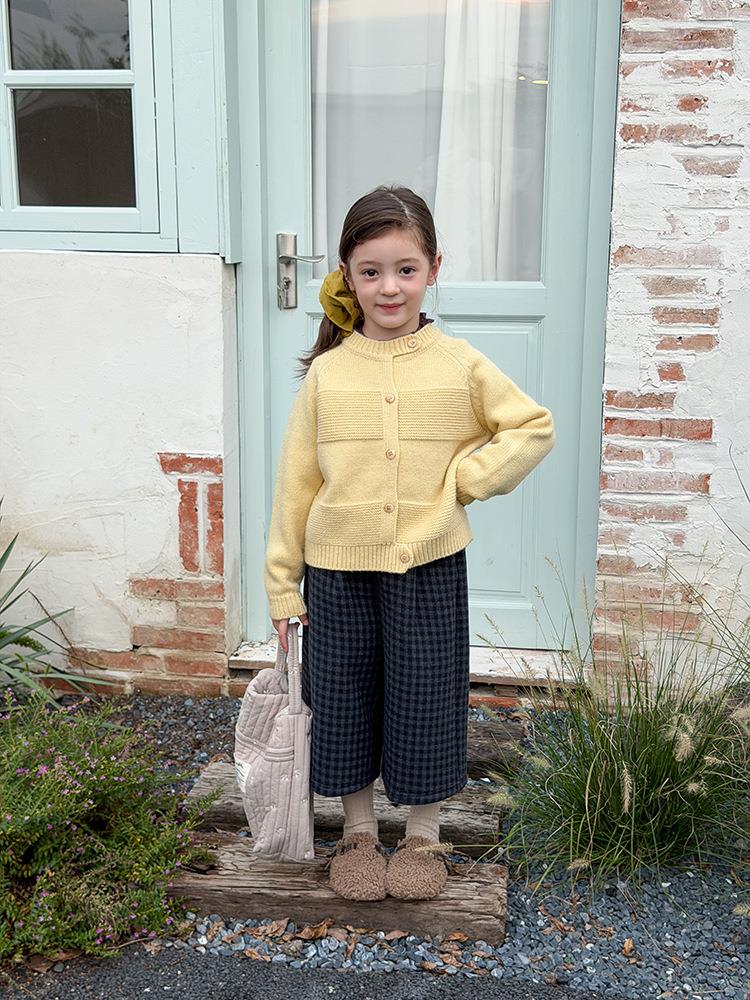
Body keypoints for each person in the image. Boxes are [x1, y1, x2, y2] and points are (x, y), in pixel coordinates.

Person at [264, 184, 555, 902]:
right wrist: (282, 583)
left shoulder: (458, 363)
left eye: (405, 269)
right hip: (336, 570)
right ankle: (358, 831)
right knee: (343, 698)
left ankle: (423, 835)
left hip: (428, 564)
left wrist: (464, 481)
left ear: (433, 269)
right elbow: (296, 482)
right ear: (346, 275)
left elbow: (532, 427)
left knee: (426, 696)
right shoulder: (330, 373)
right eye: (370, 271)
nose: (388, 287)